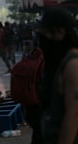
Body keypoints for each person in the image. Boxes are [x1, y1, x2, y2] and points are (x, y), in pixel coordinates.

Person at [36, 7, 78, 144]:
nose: (42, 42)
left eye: (45, 35)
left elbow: (74, 115)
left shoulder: (73, 64)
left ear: (60, 32)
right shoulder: (60, 60)